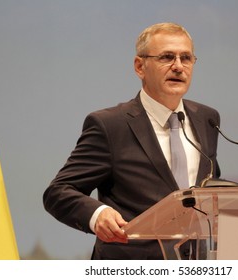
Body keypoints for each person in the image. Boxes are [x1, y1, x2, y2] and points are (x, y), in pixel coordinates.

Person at [43, 22, 221, 260]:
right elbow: (58, 192)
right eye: (167, 57)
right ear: (140, 66)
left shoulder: (206, 119)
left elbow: (208, 187)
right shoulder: (110, 125)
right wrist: (98, 214)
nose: (178, 66)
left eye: (186, 58)